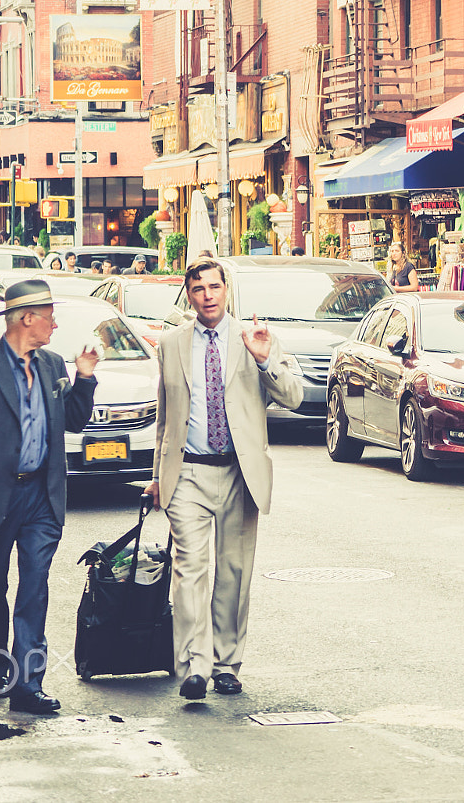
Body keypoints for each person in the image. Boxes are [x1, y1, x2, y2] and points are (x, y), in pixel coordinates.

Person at [143, 258, 302, 702]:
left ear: (226, 290)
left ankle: (227, 663)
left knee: (233, 572)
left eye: (215, 287)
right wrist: (158, 476)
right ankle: (196, 665)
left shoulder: (255, 339)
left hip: (238, 471)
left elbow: (293, 396)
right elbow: (165, 414)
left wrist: (265, 359)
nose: (208, 296)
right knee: (189, 569)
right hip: (188, 471)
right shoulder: (172, 343)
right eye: (199, 289)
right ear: (188, 296)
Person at [0, 280, 100, 715]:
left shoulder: (53, 365)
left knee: (35, 588)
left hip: (41, 496)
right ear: (26, 318)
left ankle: (28, 683)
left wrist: (85, 377)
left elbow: (72, 421)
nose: (55, 323)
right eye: (50, 315)